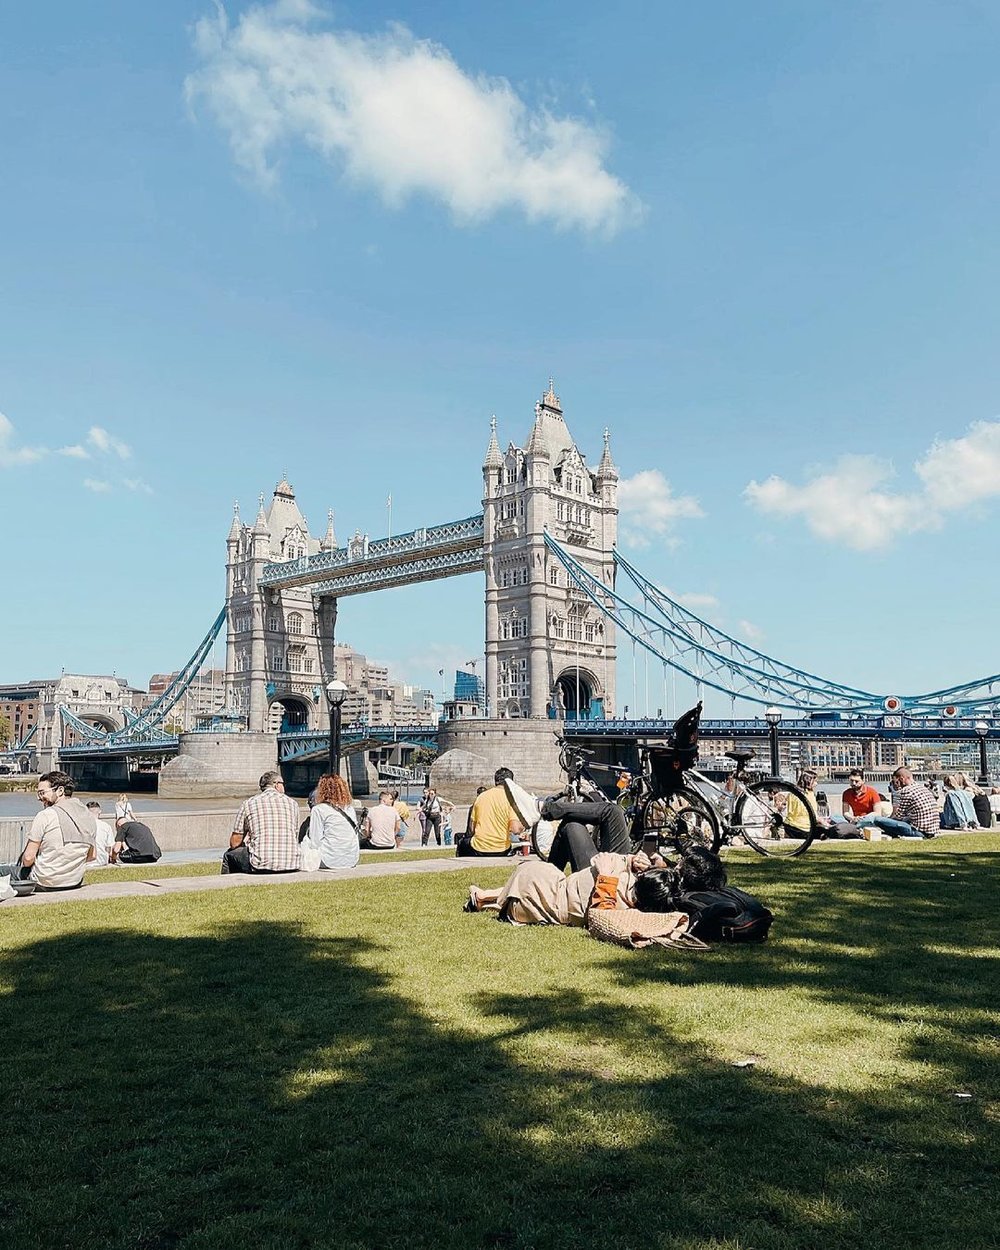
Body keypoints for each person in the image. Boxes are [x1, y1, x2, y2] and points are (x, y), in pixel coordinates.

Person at [464, 850, 677, 926]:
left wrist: (627, 861)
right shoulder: (629, 911)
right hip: (535, 910)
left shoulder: (611, 880)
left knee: (548, 874)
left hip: (538, 884)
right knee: (544, 888)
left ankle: (483, 897)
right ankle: (485, 899)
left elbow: (600, 858)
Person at [504, 778, 634, 871]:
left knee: (573, 824)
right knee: (611, 811)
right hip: (625, 870)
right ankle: (549, 880)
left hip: (611, 884)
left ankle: (542, 808)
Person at [0, 771, 95, 890]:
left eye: (42, 793)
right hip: (74, 881)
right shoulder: (88, 817)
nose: (39, 798)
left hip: (44, 881)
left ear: (60, 791)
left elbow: (28, 858)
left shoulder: (46, 815)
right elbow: (92, 856)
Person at [223, 770, 301, 873]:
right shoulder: (293, 804)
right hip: (291, 863)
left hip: (260, 864)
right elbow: (295, 835)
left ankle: (228, 883)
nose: (284, 787)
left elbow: (235, 842)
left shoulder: (249, 803)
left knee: (229, 855)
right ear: (276, 785)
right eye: (282, 784)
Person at [456, 768, 525, 857]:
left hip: (478, 848)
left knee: (462, 843)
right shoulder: (511, 799)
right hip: (501, 849)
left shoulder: (481, 797)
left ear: (495, 781)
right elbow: (515, 829)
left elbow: (472, 829)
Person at [856, 767, 939, 839]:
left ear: (902, 779)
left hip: (919, 832)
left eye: (896, 782)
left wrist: (886, 821)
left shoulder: (906, 791)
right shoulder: (923, 788)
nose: (897, 785)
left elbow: (899, 816)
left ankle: (856, 826)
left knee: (877, 819)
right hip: (932, 831)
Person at [304, 773, 360, 868]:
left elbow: (315, 841)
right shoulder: (349, 809)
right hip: (352, 859)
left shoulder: (319, 809)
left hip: (329, 860)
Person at [87, 801, 116, 867]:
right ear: (100, 811)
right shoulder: (106, 826)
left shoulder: (83, 826)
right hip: (102, 861)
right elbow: (109, 847)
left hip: (87, 862)